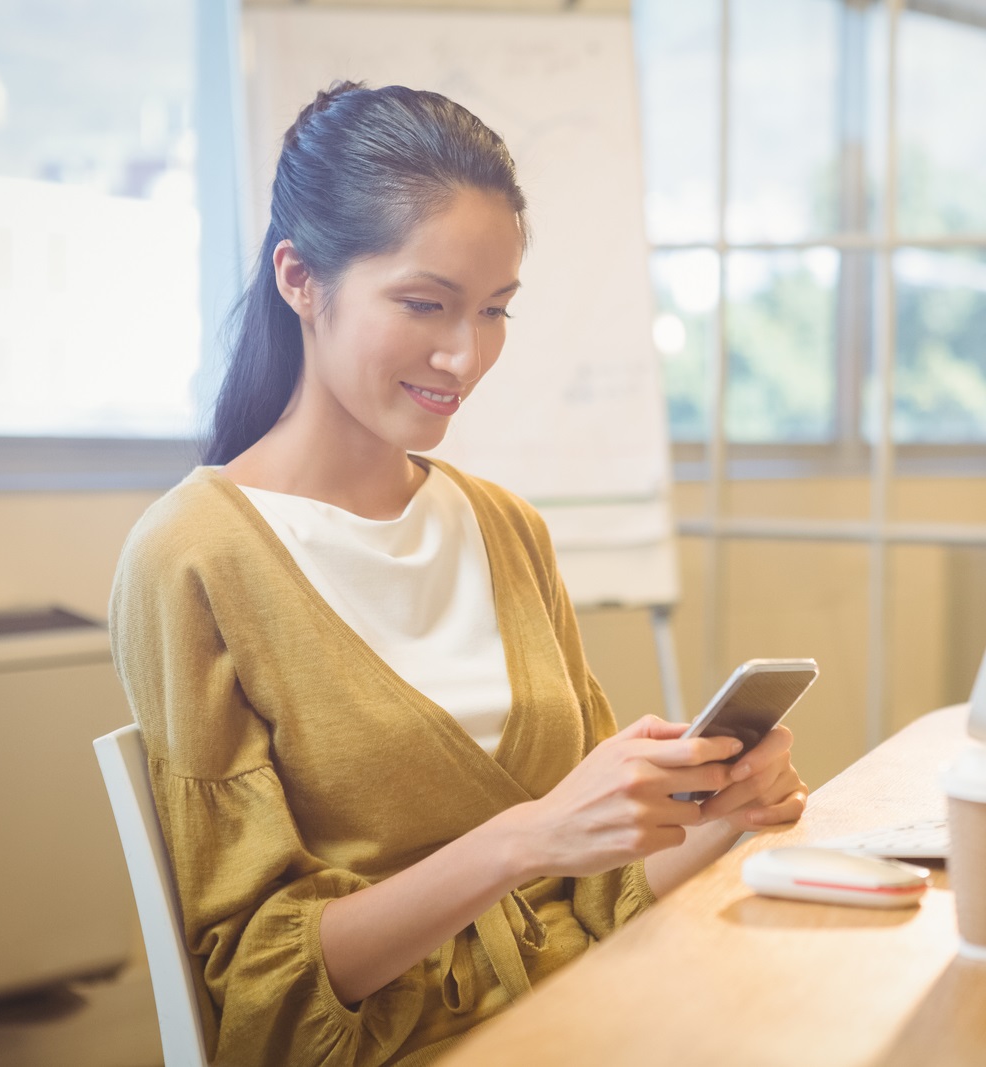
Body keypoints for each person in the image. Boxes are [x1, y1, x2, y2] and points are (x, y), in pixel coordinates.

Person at [109, 82, 807, 1066]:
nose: (463, 353)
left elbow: (595, 892)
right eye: (424, 303)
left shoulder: (504, 527)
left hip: (594, 1012)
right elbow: (260, 990)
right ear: (300, 278)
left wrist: (715, 814)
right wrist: (525, 839)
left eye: (493, 310)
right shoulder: (194, 556)